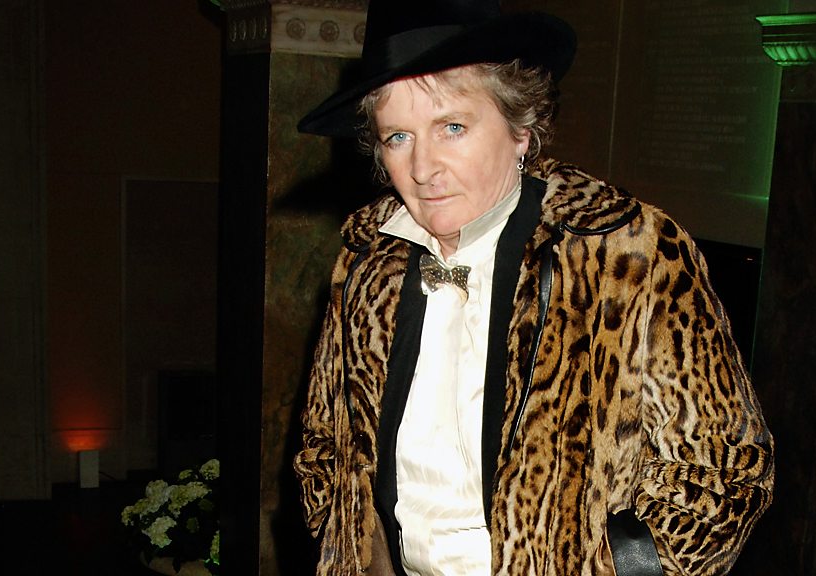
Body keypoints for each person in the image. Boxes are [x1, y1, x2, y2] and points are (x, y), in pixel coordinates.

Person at [293, 1, 774, 575]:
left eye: (452, 127)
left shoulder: (627, 254)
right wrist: (343, 541)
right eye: (398, 136)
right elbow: (325, 443)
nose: (423, 167)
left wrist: (614, 567)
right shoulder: (368, 263)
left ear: (520, 128)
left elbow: (723, 475)